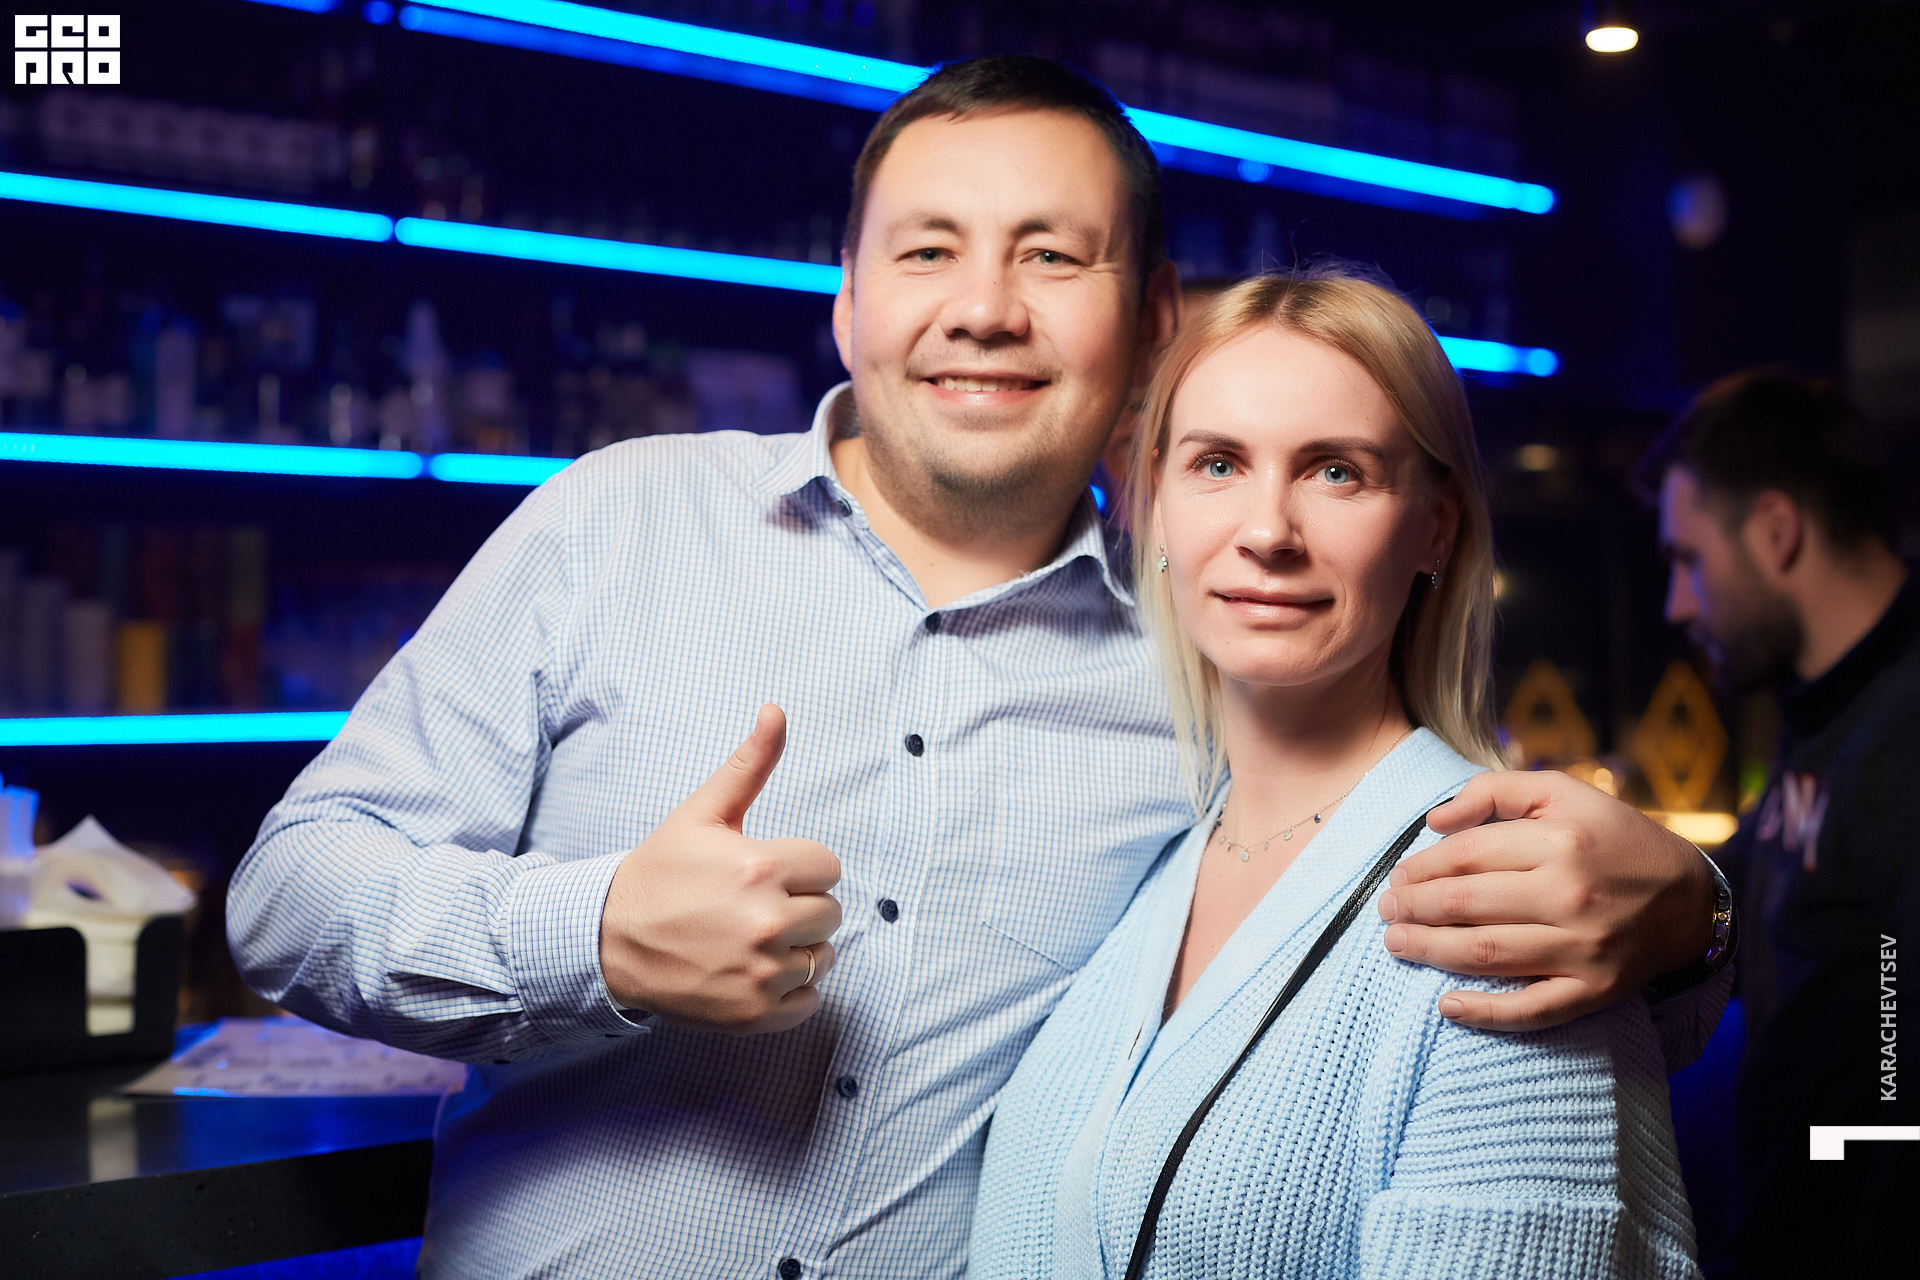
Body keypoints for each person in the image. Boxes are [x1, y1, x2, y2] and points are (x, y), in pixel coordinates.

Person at [229, 56, 1726, 1279]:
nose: (986, 306)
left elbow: (1432, 965)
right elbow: (290, 892)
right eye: (928, 249)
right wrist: (598, 932)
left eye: (1052, 255)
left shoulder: (1216, 655)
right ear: (849, 300)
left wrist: (1695, 919)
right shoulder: (618, 521)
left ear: (1151, 324)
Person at [971, 270, 1700, 1280]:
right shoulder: (1141, 864)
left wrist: (1707, 915)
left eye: (1336, 472)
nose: (1267, 531)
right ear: (1157, 503)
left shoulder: (1505, 905)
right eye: (1218, 463)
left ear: (1436, 527)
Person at [1643, 369, 1917, 1277]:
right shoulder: (1827, 712)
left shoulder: (1903, 732)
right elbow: (1748, 883)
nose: (1679, 604)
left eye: (1688, 559)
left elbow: (1901, 1107)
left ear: (1774, 531)